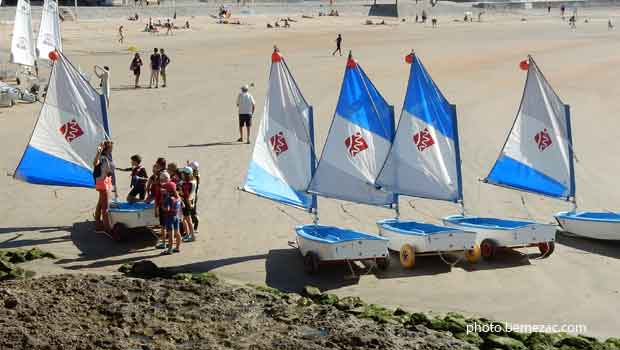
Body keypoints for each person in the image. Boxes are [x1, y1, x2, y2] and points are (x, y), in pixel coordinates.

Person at [93, 141, 115, 233]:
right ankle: (107, 228)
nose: (112, 149)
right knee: (105, 207)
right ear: (107, 149)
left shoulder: (107, 157)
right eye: (111, 147)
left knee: (100, 204)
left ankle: (98, 224)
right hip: (103, 183)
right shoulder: (102, 158)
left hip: (105, 182)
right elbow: (95, 163)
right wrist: (98, 152)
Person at [161, 181, 182, 254]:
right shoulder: (178, 197)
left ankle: (169, 249)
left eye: (165, 188)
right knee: (177, 232)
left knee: (170, 234)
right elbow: (181, 206)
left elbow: (167, 209)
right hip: (176, 216)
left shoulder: (169, 198)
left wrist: (162, 206)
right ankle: (177, 247)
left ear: (168, 190)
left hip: (169, 217)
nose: (164, 190)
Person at [179, 167, 196, 242]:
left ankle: (192, 236)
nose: (181, 174)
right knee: (185, 219)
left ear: (186, 175)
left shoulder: (189, 184)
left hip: (186, 203)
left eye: (183, 173)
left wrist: (180, 190)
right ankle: (188, 234)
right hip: (186, 202)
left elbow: (186, 195)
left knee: (188, 220)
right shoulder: (187, 182)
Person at [187, 161, 201, 233]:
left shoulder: (195, 177)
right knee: (192, 211)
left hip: (193, 196)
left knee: (193, 211)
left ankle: (196, 227)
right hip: (193, 195)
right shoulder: (195, 174)